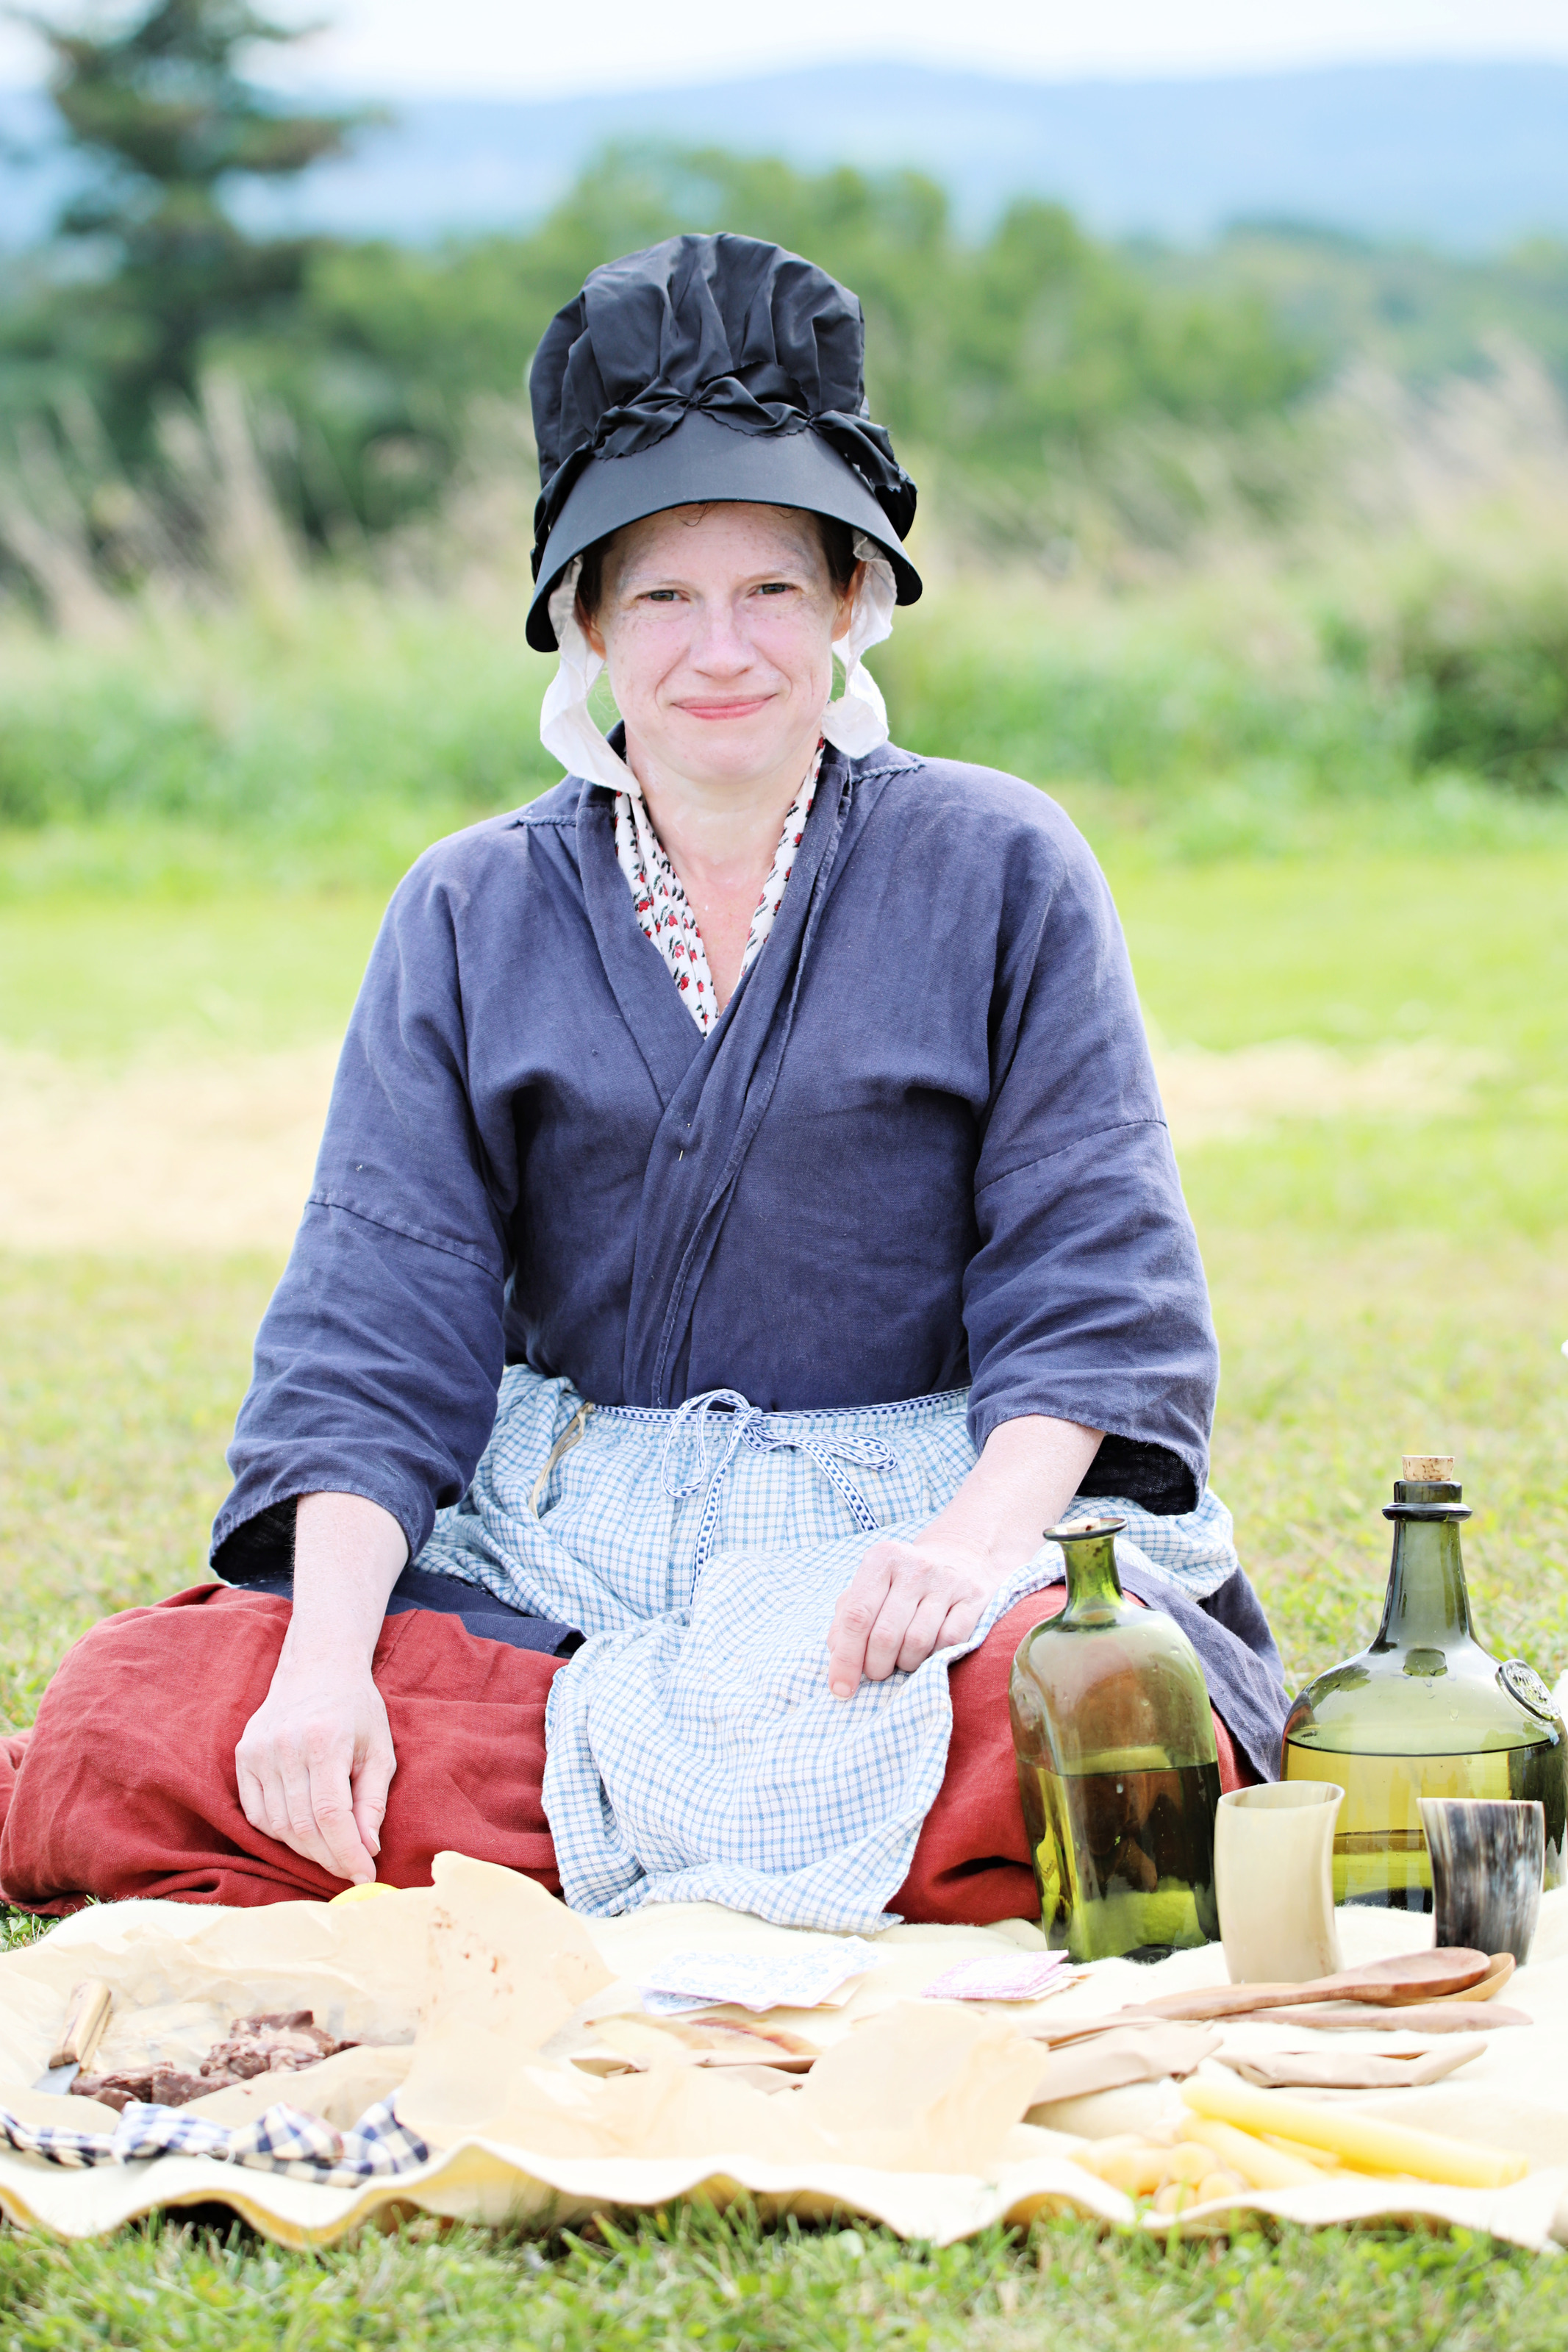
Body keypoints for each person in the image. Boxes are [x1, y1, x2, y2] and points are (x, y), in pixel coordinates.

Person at [0, 235, 1287, 1928]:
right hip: (567, 1539)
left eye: (769, 589)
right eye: (661, 595)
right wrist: (322, 1666)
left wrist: (971, 1554)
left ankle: (571, 1826)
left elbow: (1090, 1277)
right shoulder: (469, 904)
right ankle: (753, 1827)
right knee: (134, 1723)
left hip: (901, 1526)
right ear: (587, 622)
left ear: (849, 601)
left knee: (1095, 1724)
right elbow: (378, 1314)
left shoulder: (999, 863)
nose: (719, 650)